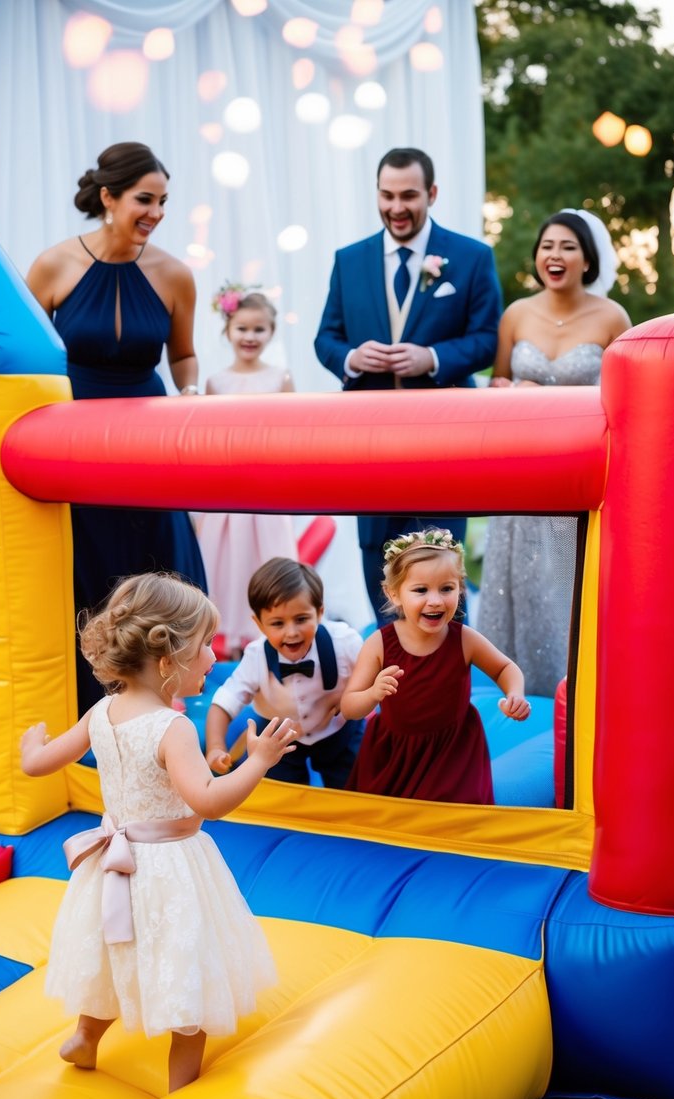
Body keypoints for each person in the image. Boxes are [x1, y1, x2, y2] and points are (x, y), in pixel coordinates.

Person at [20, 572, 295, 1091]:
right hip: (170, 868)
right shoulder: (174, 729)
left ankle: (85, 1037)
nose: (215, 657)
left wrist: (30, 745)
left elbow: (41, 763)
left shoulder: (101, 711)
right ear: (169, 661)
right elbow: (210, 802)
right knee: (189, 965)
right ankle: (181, 1083)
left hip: (111, 864)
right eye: (205, 647)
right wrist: (257, 760)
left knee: (110, 954)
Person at [26, 141, 207, 716]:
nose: (155, 212)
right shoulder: (54, 265)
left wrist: (191, 394)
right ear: (108, 197)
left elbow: (182, 356)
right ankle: (89, 707)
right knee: (91, 569)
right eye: (144, 200)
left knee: (156, 564)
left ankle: (162, 705)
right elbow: (27, 359)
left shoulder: (175, 274)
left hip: (148, 443)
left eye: (163, 202)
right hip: (76, 443)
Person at [314, 146, 503, 625]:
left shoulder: (472, 258)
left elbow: (487, 339)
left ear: (432, 194)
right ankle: (391, 688)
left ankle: (446, 691)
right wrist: (351, 358)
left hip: (444, 443)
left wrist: (434, 358)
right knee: (378, 559)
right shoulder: (348, 260)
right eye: (387, 195)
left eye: (409, 196)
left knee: (439, 560)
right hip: (368, 444)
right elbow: (326, 339)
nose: (396, 207)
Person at [479, 208, 631, 698]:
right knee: (516, 588)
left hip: (575, 476)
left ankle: (578, 688)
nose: (555, 255)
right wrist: (507, 389)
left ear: (588, 258)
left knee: (565, 585)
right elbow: (496, 383)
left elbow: (625, 398)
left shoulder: (613, 318)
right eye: (547, 246)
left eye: (567, 246)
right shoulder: (516, 314)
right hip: (519, 476)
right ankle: (513, 692)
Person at [341, 529, 530, 804]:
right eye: (420, 590)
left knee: (456, 816)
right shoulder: (379, 644)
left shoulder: (464, 639)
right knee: (385, 823)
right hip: (396, 755)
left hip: (453, 753)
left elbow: (505, 669)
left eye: (447, 588)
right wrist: (372, 695)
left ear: (460, 588)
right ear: (394, 594)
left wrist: (515, 693)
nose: (436, 600)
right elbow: (349, 706)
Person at [196, 287, 298, 658]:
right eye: (242, 328)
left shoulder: (279, 377)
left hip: (266, 488)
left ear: (271, 333)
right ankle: (228, 642)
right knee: (226, 564)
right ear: (228, 330)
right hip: (227, 490)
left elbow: (291, 434)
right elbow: (207, 438)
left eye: (259, 330)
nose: (250, 337)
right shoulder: (216, 382)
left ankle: (267, 642)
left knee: (267, 561)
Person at [205, 557, 364, 788]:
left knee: (354, 786)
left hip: (337, 729)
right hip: (279, 736)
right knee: (279, 792)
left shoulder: (344, 642)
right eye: (277, 623)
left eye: (301, 619)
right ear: (259, 624)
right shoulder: (256, 656)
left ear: (320, 613)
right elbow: (225, 702)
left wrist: (350, 694)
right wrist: (216, 747)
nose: (291, 632)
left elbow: (372, 670)